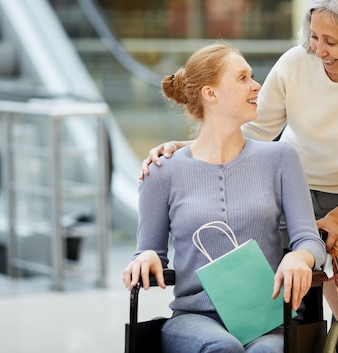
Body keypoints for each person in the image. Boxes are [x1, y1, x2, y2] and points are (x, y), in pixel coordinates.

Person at [141, 0, 338, 262]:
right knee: (294, 296)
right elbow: (257, 130)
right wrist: (187, 148)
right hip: (294, 194)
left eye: (331, 42)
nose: (319, 50)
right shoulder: (295, 63)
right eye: (314, 36)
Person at [123, 42, 326, 353]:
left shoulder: (281, 158)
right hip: (194, 318)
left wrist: (300, 256)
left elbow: (309, 240)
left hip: (266, 319)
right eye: (243, 78)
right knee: (222, 347)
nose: (257, 85)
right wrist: (147, 257)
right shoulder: (162, 172)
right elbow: (148, 252)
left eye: (252, 76)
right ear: (211, 94)